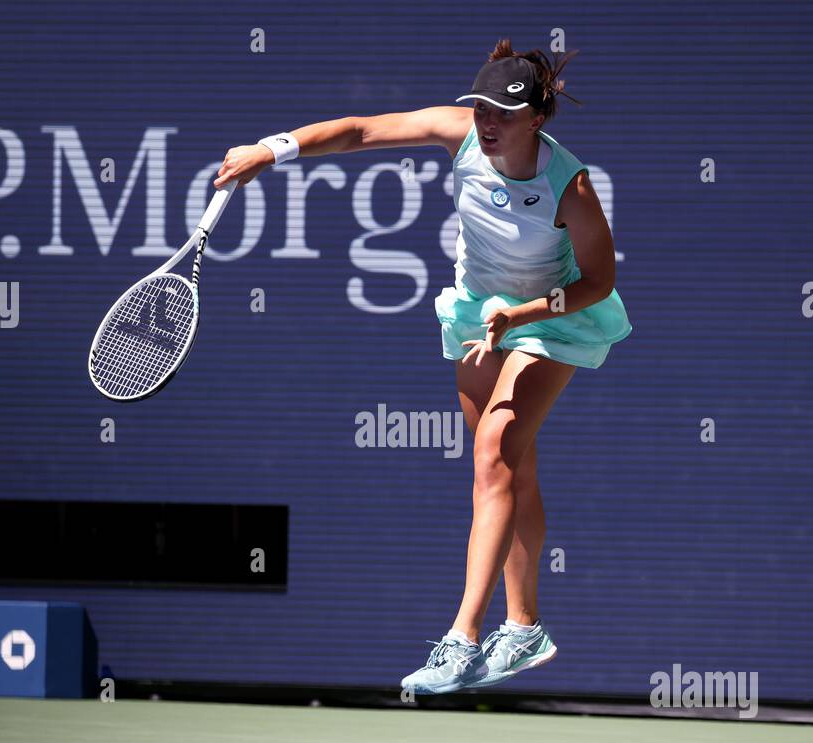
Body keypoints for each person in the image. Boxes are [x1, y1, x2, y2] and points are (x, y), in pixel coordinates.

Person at [215, 38, 631, 695]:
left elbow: (600, 281)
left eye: (503, 113)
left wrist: (522, 315)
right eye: (481, 109)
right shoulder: (457, 132)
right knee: (509, 465)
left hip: (550, 318)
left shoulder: (568, 185)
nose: (487, 123)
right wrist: (272, 149)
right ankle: (524, 625)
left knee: (495, 452)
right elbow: (359, 130)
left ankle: (463, 638)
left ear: (537, 120)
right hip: (477, 314)